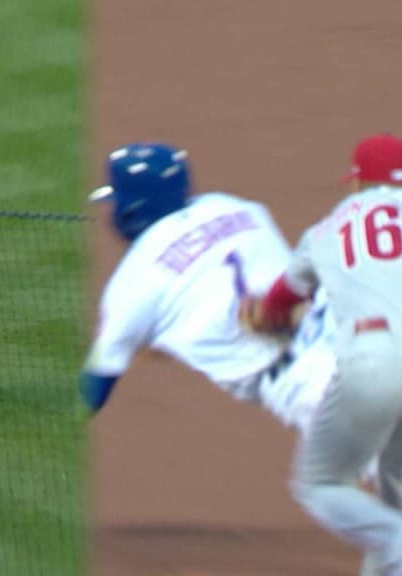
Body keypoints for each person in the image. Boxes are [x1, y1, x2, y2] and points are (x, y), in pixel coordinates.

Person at [80, 141, 340, 439]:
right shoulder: (236, 206)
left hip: (303, 383)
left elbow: (95, 384)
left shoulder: (131, 282)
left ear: (130, 209)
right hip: (344, 328)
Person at [243, 133, 402, 576]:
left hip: (376, 361)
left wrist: (257, 317)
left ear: (358, 183)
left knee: (321, 484)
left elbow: (276, 306)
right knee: (396, 497)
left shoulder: (326, 230)